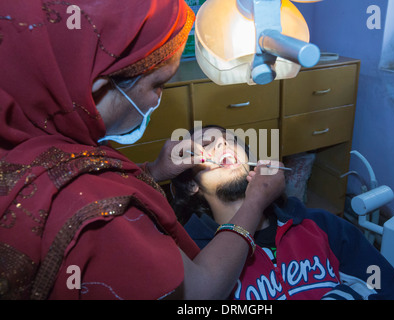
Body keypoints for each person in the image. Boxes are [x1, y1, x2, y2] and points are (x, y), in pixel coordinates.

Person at [0, 0, 285, 300]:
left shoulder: (39, 143)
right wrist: (254, 203)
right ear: (99, 89)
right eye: (158, 85)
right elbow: (199, 294)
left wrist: (152, 172)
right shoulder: (93, 209)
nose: (157, 100)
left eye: (228, 139)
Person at [171, 125, 394, 300]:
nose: (221, 144)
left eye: (228, 140)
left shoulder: (324, 225)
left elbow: (380, 280)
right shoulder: (194, 257)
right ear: (192, 185)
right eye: (205, 145)